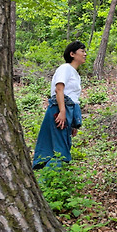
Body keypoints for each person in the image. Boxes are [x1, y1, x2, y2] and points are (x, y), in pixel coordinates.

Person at [32, 40, 87, 169]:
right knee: (59, 149)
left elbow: (73, 97)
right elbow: (59, 89)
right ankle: (48, 178)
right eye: (82, 51)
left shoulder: (75, 73)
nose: (85, 54)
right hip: (60, 109)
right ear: (72, 54)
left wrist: (73, 123)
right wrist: (62, 112)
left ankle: (53, 175)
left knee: (63, 145)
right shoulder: (65, 68)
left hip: (69, 111)